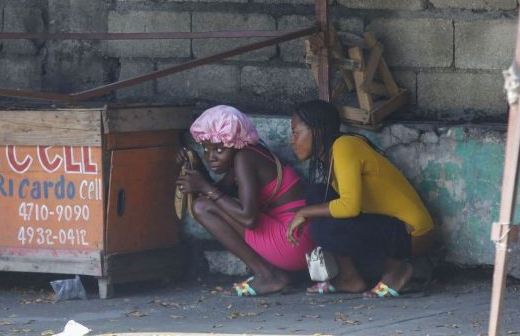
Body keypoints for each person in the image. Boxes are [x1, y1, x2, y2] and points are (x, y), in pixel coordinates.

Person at [286, 100, 435, 298]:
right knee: (317, 193)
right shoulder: (329, 157)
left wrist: (303, 213)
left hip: (412, 233)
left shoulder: (344, 146)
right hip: (389, 227)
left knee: (322, 227)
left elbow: (350, 207)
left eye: (296, 132)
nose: (292, 140)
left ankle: (395, 269)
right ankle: (349, 277)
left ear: (318, 130)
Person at [175, 105, 315, 296]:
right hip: (300, 238)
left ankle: (267, 275)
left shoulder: (244, 158)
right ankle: (271, 273)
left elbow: (248, 218)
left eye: (218, 149)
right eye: (206, 149)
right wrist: (197, 167)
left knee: (201, 207)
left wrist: (204, 187)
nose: (211, 157)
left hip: (293, 240)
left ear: (235, 143)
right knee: (207, 203)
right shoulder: (247, 153)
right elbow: (219, 193)